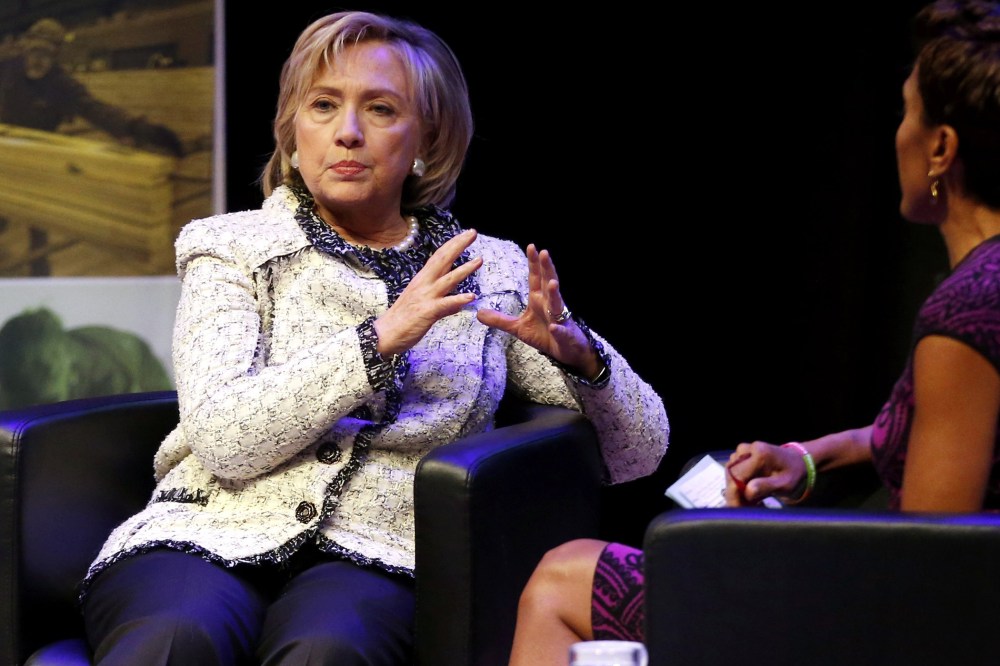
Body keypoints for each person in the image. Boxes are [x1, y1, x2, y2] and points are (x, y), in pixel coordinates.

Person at [76, 10, 669, 665]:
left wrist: (580, 356)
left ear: (426, 141)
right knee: (174, 637)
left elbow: (639, 452)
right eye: (324, 106)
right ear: (293, 132)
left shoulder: (487, 270)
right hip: (208, 526)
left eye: (380, 110)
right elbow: (224, 439)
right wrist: (378, 339)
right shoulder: (230, 248)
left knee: (326, 648)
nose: (348, 133)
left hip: (383, 551)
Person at [506, 0, 1000, 663]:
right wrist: (807, 460)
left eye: (907, 114)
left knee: (560, 580)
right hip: (907, 592)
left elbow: (925, 571)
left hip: (894, 618)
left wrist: (761, 550)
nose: (898, 137)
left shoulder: (966, 314)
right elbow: (935, 434)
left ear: (941, 148)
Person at [0, 17, 186, 275]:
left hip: (40, 154)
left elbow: (93, 108)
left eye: (46, 53)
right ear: (25, 47)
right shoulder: (7, 67)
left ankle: (39, 270)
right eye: (34, 51)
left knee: (39, 216)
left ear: (56, 55)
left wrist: (134, 127)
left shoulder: (61, 83)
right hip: (5, 147)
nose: (38, 60)